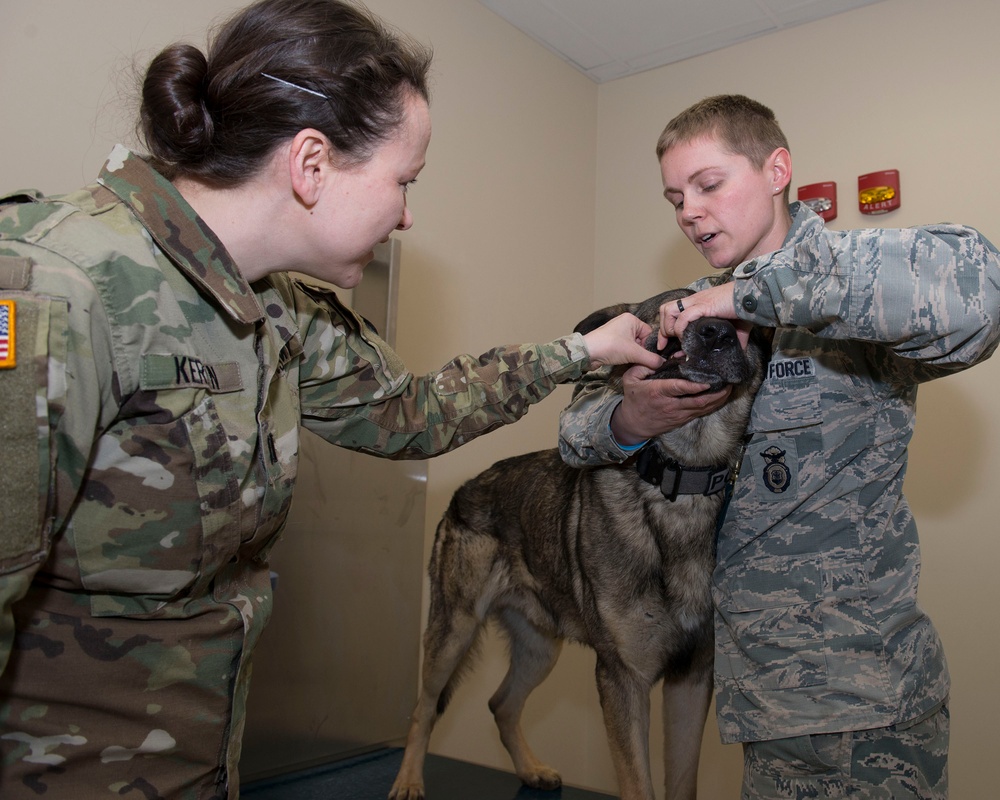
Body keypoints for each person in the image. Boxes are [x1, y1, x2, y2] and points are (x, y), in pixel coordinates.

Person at [0, 1, 665, 797]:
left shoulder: (280, 307)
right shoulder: (54, 288)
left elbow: (410, 414)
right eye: (403, 182)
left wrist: (580, 351)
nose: (407, 215)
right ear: (312, 163)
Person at [559, 94, 1000, 799]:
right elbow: (574, 431)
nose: (689, 212)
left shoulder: (851, 291)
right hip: (759, 706)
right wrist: (629, 419)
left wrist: (749, 295)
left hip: (867, 706)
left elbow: (981, 292)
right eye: (675, 198)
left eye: (708, 185)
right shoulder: (693, 311)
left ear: (777, 170)